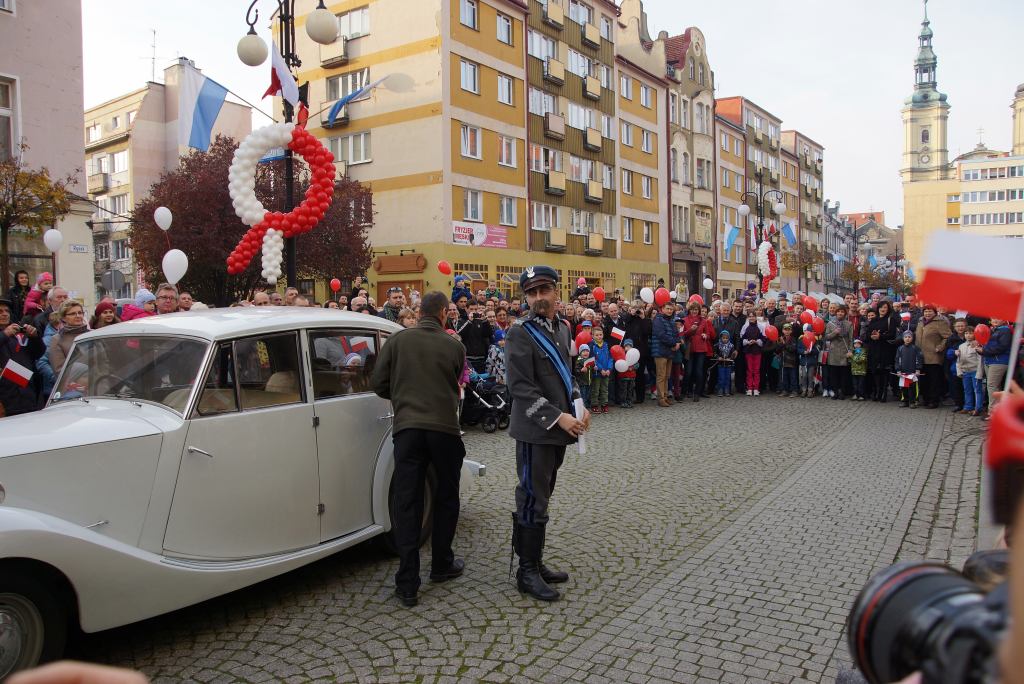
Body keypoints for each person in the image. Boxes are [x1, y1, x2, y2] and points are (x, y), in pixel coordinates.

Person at [370, 291, 467, 607]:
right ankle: (441, 563)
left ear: (420, 311)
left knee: (407, 500)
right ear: (442, 313)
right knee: (446, 496)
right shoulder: (454, 345)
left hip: (408, 428)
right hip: (443, 428)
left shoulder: (398, 341)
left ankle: (407, 581)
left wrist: (401, 395)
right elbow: (455, 383)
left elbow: (378, 383)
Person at [505, 265, 589, 602]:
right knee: (531, 497)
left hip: (559, 429)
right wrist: (558, 418)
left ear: (557, 291)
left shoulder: (562, 328)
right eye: (532, 293)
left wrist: (581, 409)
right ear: (526, 296)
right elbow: (520, 387)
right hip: (535, 430)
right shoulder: (519, 333)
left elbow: (567, 376)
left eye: (544, 290)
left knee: (544, 494)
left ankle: (535, 562)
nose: (539, 298)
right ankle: (526, 571)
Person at [0, 297, 43, 417]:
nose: (5, 314)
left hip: (26, 396)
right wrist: (4, 334)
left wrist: (34, 337)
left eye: (7, 311)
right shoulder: (7, 333)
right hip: (5, 400)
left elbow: (38, 353)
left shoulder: (17, 333)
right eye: (0, 311)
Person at [915, 304, 951, 409]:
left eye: (930, 311)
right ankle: (926, 399)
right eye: (925, 311)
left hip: (934, 355)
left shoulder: (940, 322)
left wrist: (940, 347)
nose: (927, 313)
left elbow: (948, 337)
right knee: (924, 379)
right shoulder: (920, 322)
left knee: (933, 379)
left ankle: (934, 400)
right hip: (921, 356)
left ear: (935, 312)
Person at [681, 301, 715, 402]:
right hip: (689, 349)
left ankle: (697, 393)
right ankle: (684, 391)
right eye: (692, 309)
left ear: (699, 310)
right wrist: (690, 330)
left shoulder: (703, 321)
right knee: (688, 371)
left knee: (699, 371)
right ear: (689, 310)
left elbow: (708, 334)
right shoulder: (684, 320)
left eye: (696, 309)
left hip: (701, 348)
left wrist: (705, 335)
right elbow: (682, 334)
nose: (694, 311)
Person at [46, 301, 88, 377]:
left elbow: (103, 362)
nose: (78, 316)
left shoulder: (91, 334)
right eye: (72, 314)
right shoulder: (57, 339)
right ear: (64, 318)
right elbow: (60, 370)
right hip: (75, 385)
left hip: (100, 383)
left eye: (80, 312)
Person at [980, 318, 1012, 418]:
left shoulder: (1005, 330)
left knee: (992, 386)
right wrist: (980, 348)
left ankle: (993, 412)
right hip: (990, 360)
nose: (995, 319)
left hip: (999, 361)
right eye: (993, 317)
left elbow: (1002, 347)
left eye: (998, 318)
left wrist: (984, 350)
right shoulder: (994, 330)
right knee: (994, 386)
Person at [651, 301, 678, 407]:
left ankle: (665, 396)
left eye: (671, 309)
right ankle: (661, 398)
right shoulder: (658, 320)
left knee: (667, 376)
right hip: (660, 351)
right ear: (662, 309)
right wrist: (673, 343)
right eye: (668, 309)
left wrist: (677, 342)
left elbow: (676, 334)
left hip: (669, 351)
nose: (670, 311)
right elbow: (661, 335)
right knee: (661, 376)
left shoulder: (671, 320)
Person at [825, 304, 854, 400]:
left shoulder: (849, 324)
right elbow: (827, 337)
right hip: (833, 352)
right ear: (836, 313)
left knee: (843, 374)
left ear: (845, 313)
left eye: (842, 312)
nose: (840, 313)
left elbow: (851, 339)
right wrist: (835, 333)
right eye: (838, 312)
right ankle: (835, 392)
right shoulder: (830, 324)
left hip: (844, 351)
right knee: (834, 374)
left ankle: (842, 392)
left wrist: (850, 350)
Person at [956, 326, 985, 417]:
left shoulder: (977, 345)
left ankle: (978, 408)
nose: (968, 335)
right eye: (966, 333)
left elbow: (980, 360)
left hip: (975, 371)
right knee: (967, 390)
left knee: (977, 390)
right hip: (965, 371)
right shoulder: (961, 346)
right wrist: (959, 371)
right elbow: (959, 360)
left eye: (970, 333)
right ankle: (968, 406)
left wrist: (979, 373)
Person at [894, 330, 924, 408]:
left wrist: (918, 369)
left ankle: (912, 402)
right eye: (906, 337)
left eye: (909, 337)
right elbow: (897, 359)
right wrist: (898, 370)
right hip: (903, 372)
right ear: (903, 338)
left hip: (912, 372)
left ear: (912, 338)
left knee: (913, 388)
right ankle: (904, 401)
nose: (907, 339)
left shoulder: (916, 348)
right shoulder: (900, 348)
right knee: (903, 387)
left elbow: (919, 359)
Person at [739, 313, 765, 396]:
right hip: (748, 351)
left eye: (753, 316)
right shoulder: (745, 326)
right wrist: (748, 342)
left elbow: (763, 338)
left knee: (756, 370)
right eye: (750, 316)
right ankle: (750, 388)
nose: (752, 318)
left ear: (756, 317)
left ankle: (756, 388)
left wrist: (757, 341)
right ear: (748, 317)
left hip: (757, 351)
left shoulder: (760, 326)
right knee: (749, 370)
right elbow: (742, 338)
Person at [589, 326, 612, 413]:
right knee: (596, 389)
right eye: (597, 335)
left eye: (600, 335)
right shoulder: (592, 345)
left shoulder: (606, 345)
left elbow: (610, 358)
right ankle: (594, 405)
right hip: (597, 372)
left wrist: (609, 369)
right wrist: (600, 369)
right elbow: (593, 359)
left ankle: (604, 404)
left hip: (606, 372)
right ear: (593, 336)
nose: (599, 337)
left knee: (605, 389)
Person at [777, 323, 800, 397]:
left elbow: (793, 349)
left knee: (793, 377)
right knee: (784, 377)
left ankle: (794, 391)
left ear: (791, 331)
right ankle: (784, 390)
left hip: (791, 362)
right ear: (783, 331)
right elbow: (777, 349)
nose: (787, 331)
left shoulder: (793, 339)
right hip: (783, 361)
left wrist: (784, 344)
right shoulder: (780, 338)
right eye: (785, 330)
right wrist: (780, 344)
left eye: (788, 330)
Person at [714, 330, 736, 397]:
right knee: (721, 377)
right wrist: (718, 357)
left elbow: (733, 354)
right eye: (723, 338)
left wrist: (730, 358)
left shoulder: (731, 346)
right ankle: (720, 390)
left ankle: (727, 390)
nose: (725, 339)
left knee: (727, 378)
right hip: (720, 364)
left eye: (726, 338)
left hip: (728, 365)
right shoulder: (717, 345)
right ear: (721, 338)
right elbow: (714, 353)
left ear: (728, 338)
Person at [798, 331, 819, 398]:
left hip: (811, 362)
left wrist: (811, 351)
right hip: (804, 362)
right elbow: (798, 349)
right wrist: (804, 352)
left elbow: (817, 350)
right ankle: (804, 390)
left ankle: (810, 390)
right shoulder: (801, 340)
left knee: (810, 376)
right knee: (804, 376)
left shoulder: (814, 340)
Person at [618, 339, 638, 408]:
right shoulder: (622, 355)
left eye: (630, 346)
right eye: (626, 346)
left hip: (632, 376)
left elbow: (637, 364)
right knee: (623, 390)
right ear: (624, 347)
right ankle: (623, 402)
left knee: (630, 390)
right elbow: (619, 364)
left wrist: (632, 368)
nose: (628, 348)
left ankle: (629, 401)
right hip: (623, 376)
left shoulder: (634, 355)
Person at [574, 343, 594, 409]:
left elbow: (591, 370)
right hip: (582, 382)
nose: (586, 353)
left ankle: (587, 404)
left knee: (588, 394)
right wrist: (581, 370)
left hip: (588, 381)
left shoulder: (589, 360)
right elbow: (576, 370)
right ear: (580, 353)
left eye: (587, 351)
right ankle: (583, 406)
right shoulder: (579, 360)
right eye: (583, 351)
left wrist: (594, 367)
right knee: (583, 394)